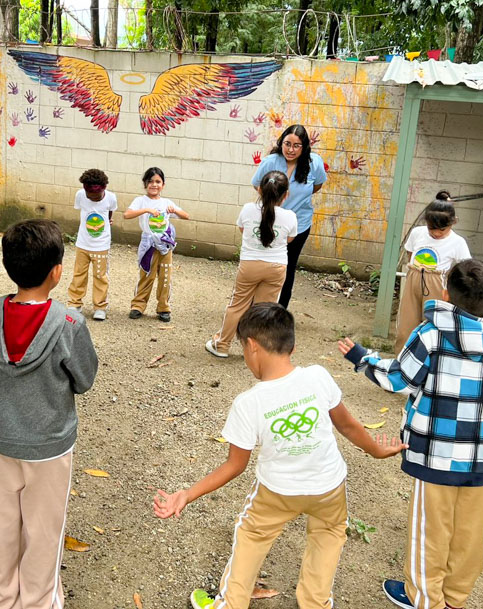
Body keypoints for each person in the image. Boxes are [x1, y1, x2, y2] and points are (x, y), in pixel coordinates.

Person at [156, 303, 407, 609]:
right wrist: (379, 450)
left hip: (277, 492)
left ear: (251, 347)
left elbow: (236, 465)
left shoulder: (249, 403)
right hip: (329, 486)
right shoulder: (318, 376)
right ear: (292, 346)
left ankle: (230, 604)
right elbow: (348, 425)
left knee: (251, 536)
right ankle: (316, 603)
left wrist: (187, 494)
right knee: (327, 539)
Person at [338, 259, 483, 609]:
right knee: (470, 530)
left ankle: (425, 598)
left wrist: (362, 358)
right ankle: (456, 597)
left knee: (431, 527)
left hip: (436, 453)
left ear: (445, 293)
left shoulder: (431, 334)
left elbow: (398, 378)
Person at [0, 219, 98, 609]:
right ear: (57, 272)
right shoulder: (69, 323)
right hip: (49, 445)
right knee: (44, 530)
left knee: (4, 526)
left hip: (4, 438)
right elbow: (83, 379)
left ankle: (1, 599)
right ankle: (37, 602)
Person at [205, 171, 297, 358]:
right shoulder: (291, 216)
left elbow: (242, 229)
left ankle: (222, 345)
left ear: (260, 190)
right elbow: (289, 239)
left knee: (237, 305)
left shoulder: (248, 209)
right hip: (277, 268)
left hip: (249, 265)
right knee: (265, 310)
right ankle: (259, 351)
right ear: (286, 194)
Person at [251, 125, 327, 309]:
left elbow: (317, 186)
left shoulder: (314, 163)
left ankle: (279, 310)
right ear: (281, 142)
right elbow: (257, 185)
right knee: (264, 264)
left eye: (296, 146)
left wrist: (297, 201)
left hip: (299, 224)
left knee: (287, 266)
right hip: (270, 222)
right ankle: (256, 307)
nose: (290, 150)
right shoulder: (271, 161)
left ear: (304, 146)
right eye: (287, 144)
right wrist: (272, 205)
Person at [395, 197, 471, 354]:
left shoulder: (458, 242)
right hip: (414, 278)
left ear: (453, 222)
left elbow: (465, 267)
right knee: (405, 327)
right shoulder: (417, 233)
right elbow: (410, 254)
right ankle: (401, 362)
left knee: (433, 327)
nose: (436, 233)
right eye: (431, 228)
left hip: (438, 284)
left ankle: (429, 364)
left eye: (442, 229)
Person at [125, 167, 190, 322]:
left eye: (158, 181)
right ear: (145, 183)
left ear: (163, 184)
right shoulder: (140, 201)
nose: (154, 185)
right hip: (148, 244)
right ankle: (138, 306)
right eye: (150, 181)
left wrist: (174, 210)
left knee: (165, 275)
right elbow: (127, 214)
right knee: (147, 274)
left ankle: (163, 308)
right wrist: (145, 210)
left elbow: (186, 216)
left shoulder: (166, 202)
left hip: (164, 245)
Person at [66, 168, 118, 321]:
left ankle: (100, 307)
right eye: (91, 196)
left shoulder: (111, 198)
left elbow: (109, 212)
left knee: (101, 276)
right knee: (79, 274)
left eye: (97, 196)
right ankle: (74, 303)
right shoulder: (80, 195)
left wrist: (108, 222)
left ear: (104, 189)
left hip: (101, 245)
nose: (94, 199)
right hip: (83, 243)